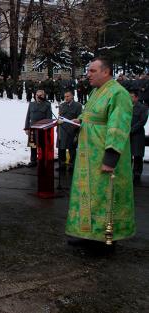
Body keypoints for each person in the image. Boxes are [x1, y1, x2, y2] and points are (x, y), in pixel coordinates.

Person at [66, 57, 135, 246]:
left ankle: (103, 236)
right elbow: (90, 113)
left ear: (106, 72)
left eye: (92, 71)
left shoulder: (118, 93)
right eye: (88, 71)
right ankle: (88, 234)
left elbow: (118, 126)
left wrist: (110, 158)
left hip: (103, 156)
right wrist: (79, 120)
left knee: (104, 196)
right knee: (89, 195)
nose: (88, 75)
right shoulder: (96, 91)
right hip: (88, 156)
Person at [24, 89, 52, 167]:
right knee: (33, 146)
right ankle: (33, 161)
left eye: (40, 95)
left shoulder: (47, 105)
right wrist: (26, 128)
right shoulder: (31, 104)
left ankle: (42, 160)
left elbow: (49, 118)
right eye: (37, 95)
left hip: (42, 129)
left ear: (44, 96)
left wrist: (47, 129)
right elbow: (28, 116)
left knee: (42, 146)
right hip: (32, 128)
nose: (38, 97)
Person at [56, 90, 82, 172]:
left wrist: (77, 130)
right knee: (61, 149)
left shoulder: (78, 105)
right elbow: (59, 117)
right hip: (62, 130)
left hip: (72, 131)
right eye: (65, 97)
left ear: (72, 96)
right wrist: (58, 127)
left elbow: (80, 118)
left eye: (68, 96)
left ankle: (72, 165)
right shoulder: (62, 105)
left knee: (72, 149)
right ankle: (62, 165)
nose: (66, 98)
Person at [129, 89, 148, 183]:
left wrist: (131, 130)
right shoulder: (126, 106)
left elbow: (142, 122)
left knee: (137, 156)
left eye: (131, 96)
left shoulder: (143, 108)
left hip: (137, 135)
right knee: (128, 155)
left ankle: (137, 174)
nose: (130, 98)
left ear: (136, 97)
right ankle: (128, 173)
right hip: (127, 135)